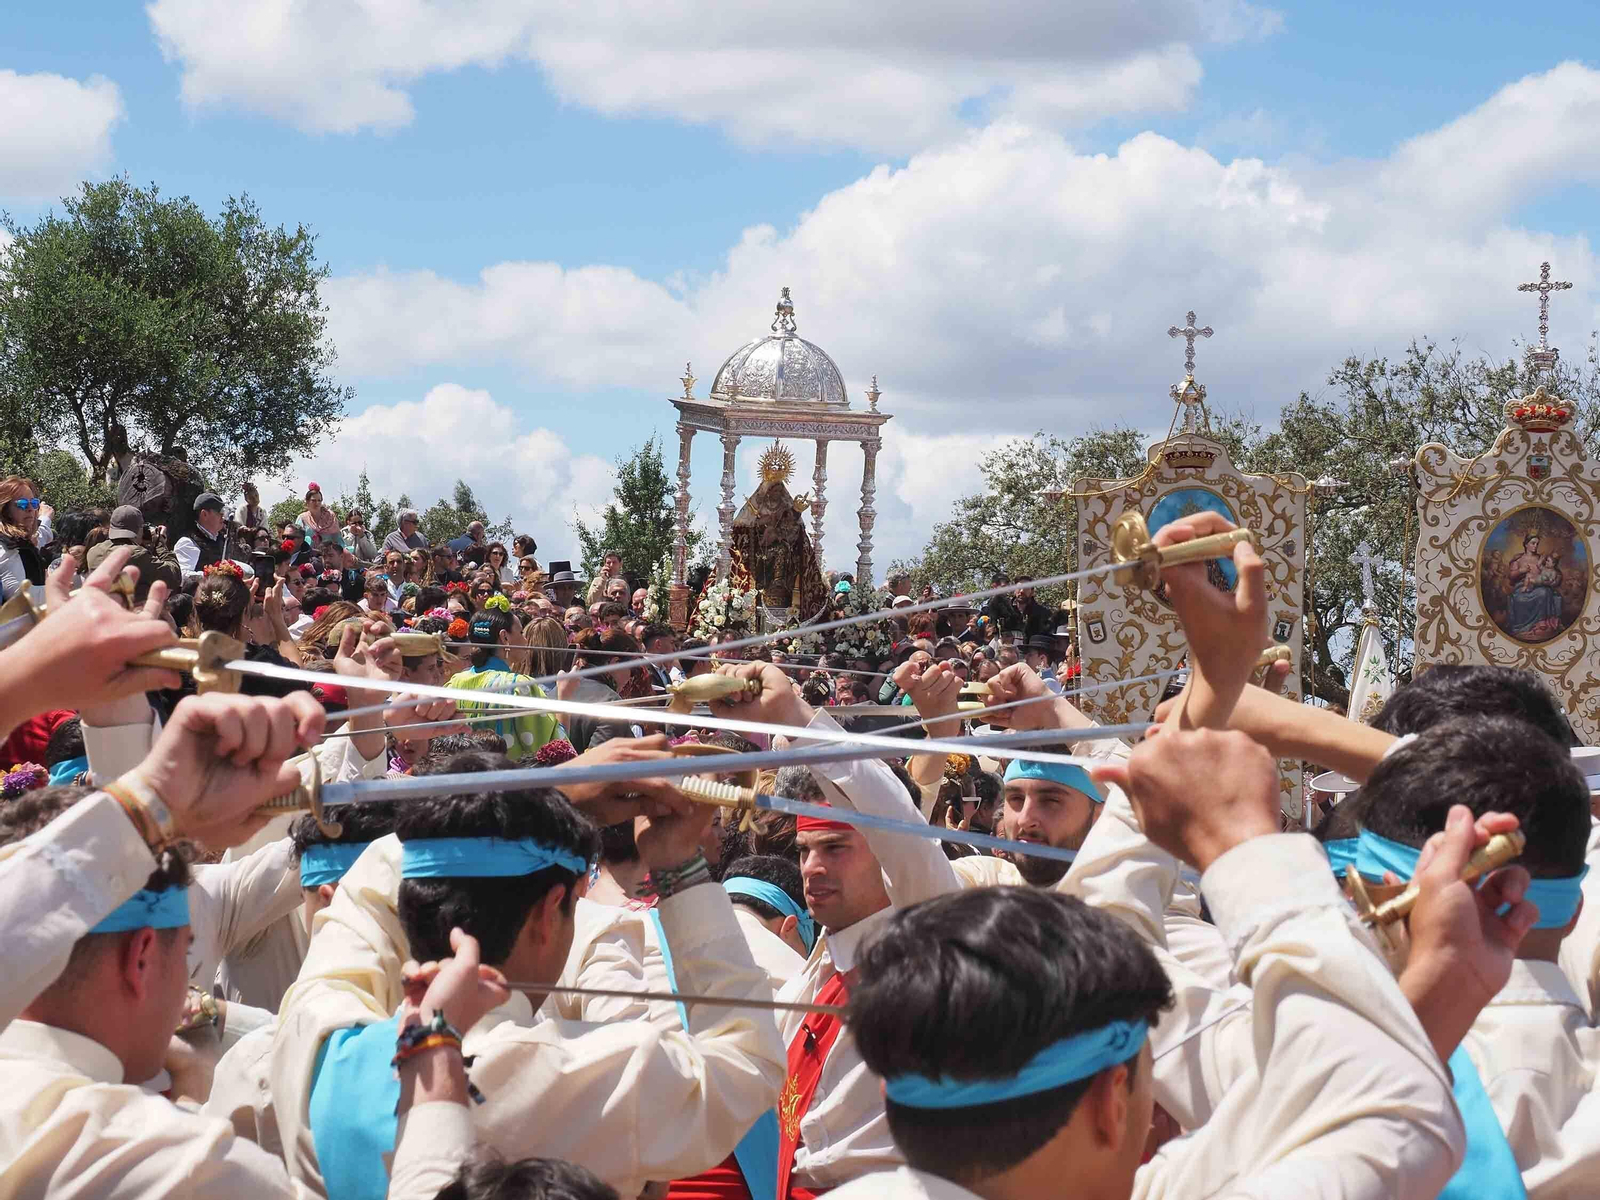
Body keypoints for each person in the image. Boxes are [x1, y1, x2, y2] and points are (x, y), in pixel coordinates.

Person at [269, 753, 787, 1199]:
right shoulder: (578, 1075)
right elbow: (748, 1057)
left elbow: (362, 905)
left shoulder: (318, 1039)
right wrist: (680, 867)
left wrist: (539, 795)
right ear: (549, 911)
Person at [0, 690, 332, 1196]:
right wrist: (194, 1108)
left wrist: (151, 802)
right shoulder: (178, 1165)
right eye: (186, 950)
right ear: (142, 958)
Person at [445, 609, 560, 761]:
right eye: (520, 633)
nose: (526, 640)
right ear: (504, 637)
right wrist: (564, 694)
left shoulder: (454, 683)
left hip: (462, 778)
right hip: (510, 781)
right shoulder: (519, 686)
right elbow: (552, 749)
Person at [85, 504, 182, 605]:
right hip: (132, 613)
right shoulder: (136, 554)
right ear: (139, 530)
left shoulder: (94, 551)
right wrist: (160, 544)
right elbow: (174, 576)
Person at [0, 474, 47, 602]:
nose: (31, 509)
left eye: (34, 503)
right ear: (5, 510)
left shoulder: (21, 542)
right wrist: (57, 587)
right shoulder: (5, 546)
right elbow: (20, 599)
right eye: (22, 504)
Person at [174, 492, 238, 577]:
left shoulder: (222, 541)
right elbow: (182, 576)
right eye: (220, 512)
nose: (223, 516)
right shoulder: (188, 542)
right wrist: (212, 574)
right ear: (204, 514)